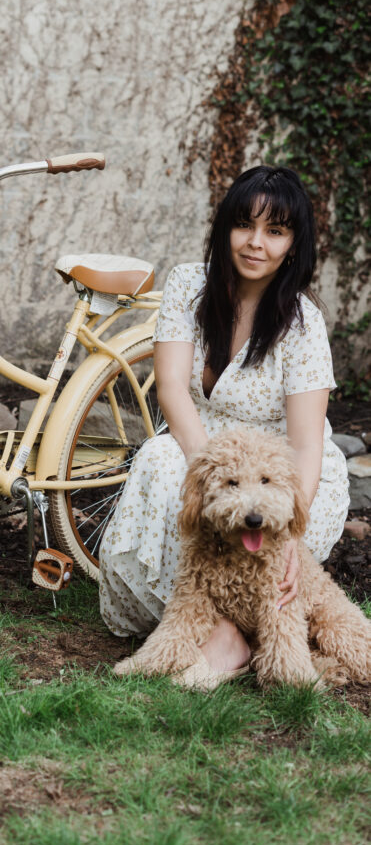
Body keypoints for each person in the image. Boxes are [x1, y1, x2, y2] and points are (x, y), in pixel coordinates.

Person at [99, 164, 350, 687]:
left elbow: (304, 447)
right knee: (162, 464)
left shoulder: (302, 322)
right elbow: (171, 388)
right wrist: (211, 473)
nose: (256, 243)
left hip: (284, 474)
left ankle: (230, 639)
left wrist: (289, 537)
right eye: (245, 225)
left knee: (257, 532)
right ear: (224, 227)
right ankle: (211, 629)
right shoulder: (190, 283)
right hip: (206, 451)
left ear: (293, 245)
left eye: (275, 231)